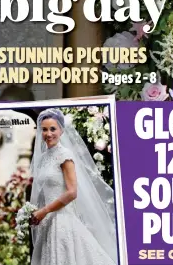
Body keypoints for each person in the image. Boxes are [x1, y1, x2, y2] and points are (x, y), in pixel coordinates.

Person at [29, 108, 118, 265]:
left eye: (52, 129)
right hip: (47, 224)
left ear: (61, 130)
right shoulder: (42, 159)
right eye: (44, 129)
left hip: (62, 220)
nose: (48, 134)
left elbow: (72, 192)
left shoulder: (65, 155)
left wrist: (44, 211)